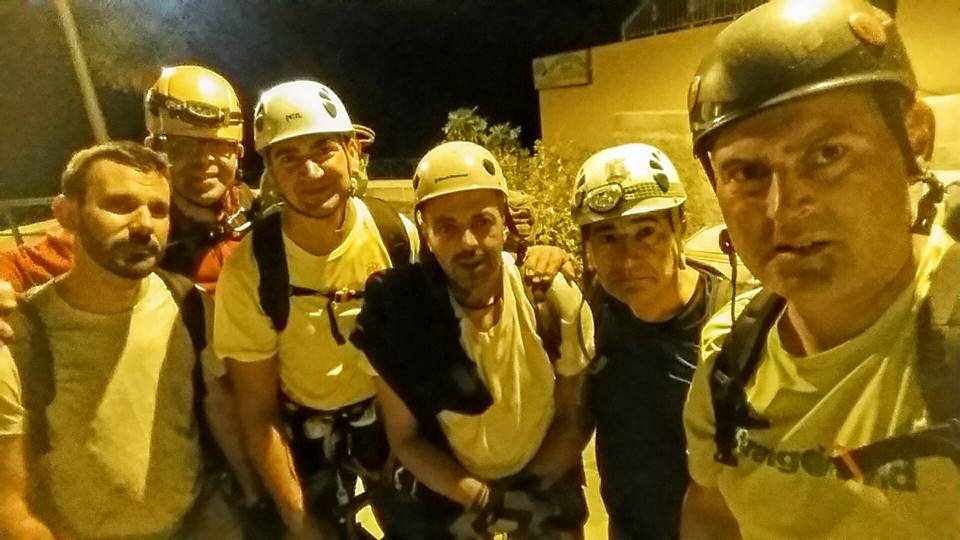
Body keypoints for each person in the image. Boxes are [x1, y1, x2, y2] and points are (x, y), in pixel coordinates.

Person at [680, 0, 960, 538]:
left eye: (828, 154)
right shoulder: (729, 354)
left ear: (914, 138)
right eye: (747, 172)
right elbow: (712, 509)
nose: (782, 209)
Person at [351, 141, 595, 539]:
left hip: (544, 477)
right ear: (425, 232)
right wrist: (483, 499)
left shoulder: (553, 300)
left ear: (505, 222)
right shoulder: (399, 315)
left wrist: (526, 495)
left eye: (482, 222)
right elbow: (406, 438)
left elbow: (572, 416)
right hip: (448, 486)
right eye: (446, 227)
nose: (468, 242)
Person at [214, 79, 422, 539]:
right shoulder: (252, 270)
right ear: (270, 170)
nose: (309, 172)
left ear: (352, 151)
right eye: (288, 157)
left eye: (323, 149)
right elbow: (258, 411)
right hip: (304, 426)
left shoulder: (395, 235)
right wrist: (298, 517)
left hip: (391, 417)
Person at [0, 141, 239, 539]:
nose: (144, 224)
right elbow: (10, 506)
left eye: (158, 209)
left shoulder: (189, 306)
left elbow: (220, 410)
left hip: (195, 523)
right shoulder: (19, 336)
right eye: (119, 205)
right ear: (66, 213)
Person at [569, 143, 731, 539]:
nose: (627, 260)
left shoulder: (733, 322)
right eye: (608, 238)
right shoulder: (592, 313)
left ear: (679, 228)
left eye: (646, 234)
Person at [0, 64, 253, 294]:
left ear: (238, 154)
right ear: (155, 150)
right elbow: (17, 266)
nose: (203, 160)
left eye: (220, 146)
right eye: (183, 146)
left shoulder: (252, 212)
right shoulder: (133, 226)